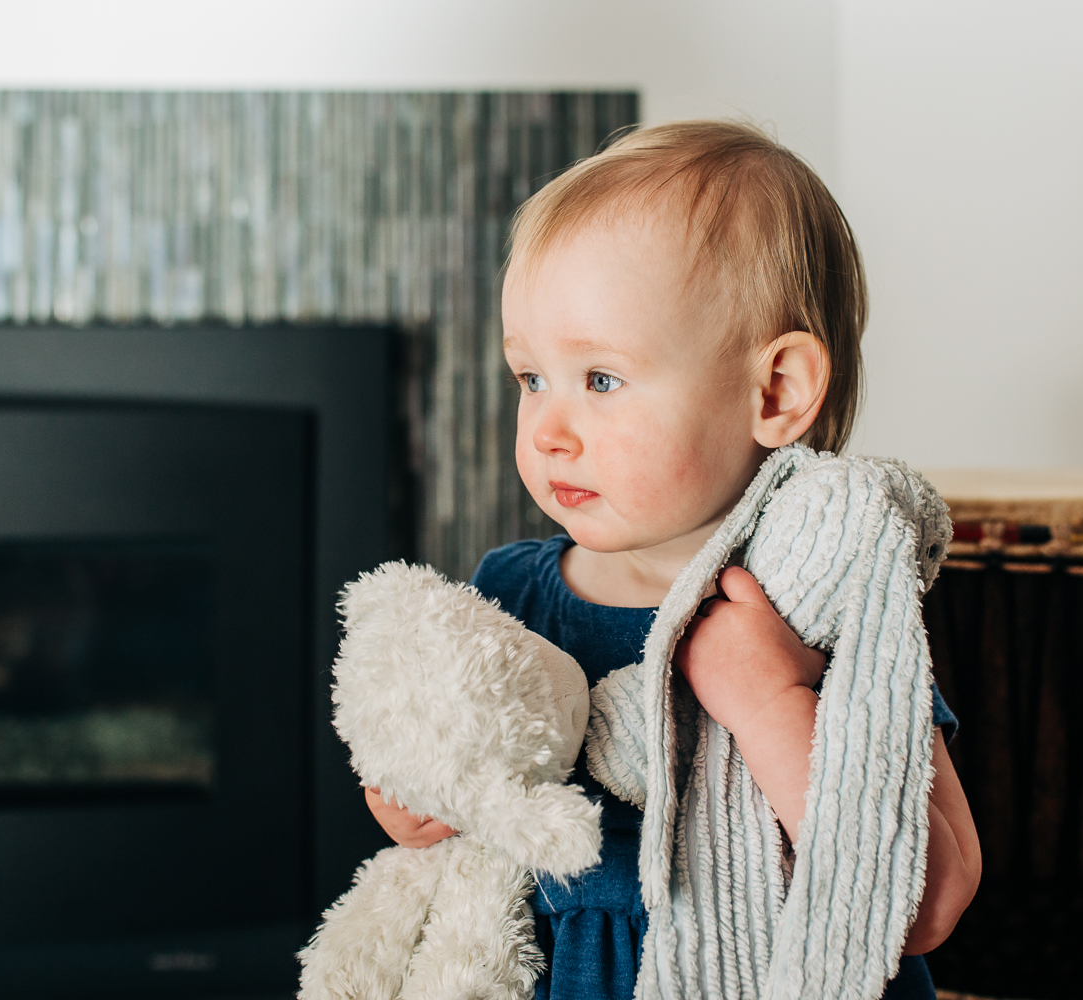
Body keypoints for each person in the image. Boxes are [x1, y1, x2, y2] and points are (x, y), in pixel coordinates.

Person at [366, 119, 982, 1000]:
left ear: (775, 391)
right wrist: (416, 806)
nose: (549, 429)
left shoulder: (828, 611)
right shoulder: (505, 597)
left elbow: (926, 904)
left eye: (601, 380)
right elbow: (459, 813)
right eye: (530, 378)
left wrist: (773, 702)